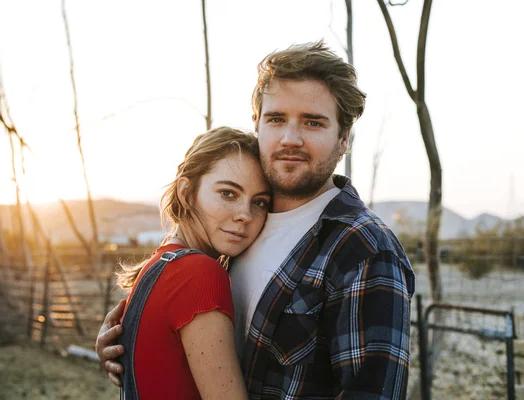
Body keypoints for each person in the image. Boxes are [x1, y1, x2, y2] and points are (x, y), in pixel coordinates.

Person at [97, 41, 415, 399]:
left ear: (343, 140)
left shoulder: (363, 249)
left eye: (313, 122)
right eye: (276, 119)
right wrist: (130, 339)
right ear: (258, 126)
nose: (290, 138)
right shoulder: (238, 232)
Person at [112, 126, 271, 399]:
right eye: (228, 194)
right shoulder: (199, 273)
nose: (245, 214)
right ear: (187, 194)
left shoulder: (159, 264)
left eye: (259, 202)